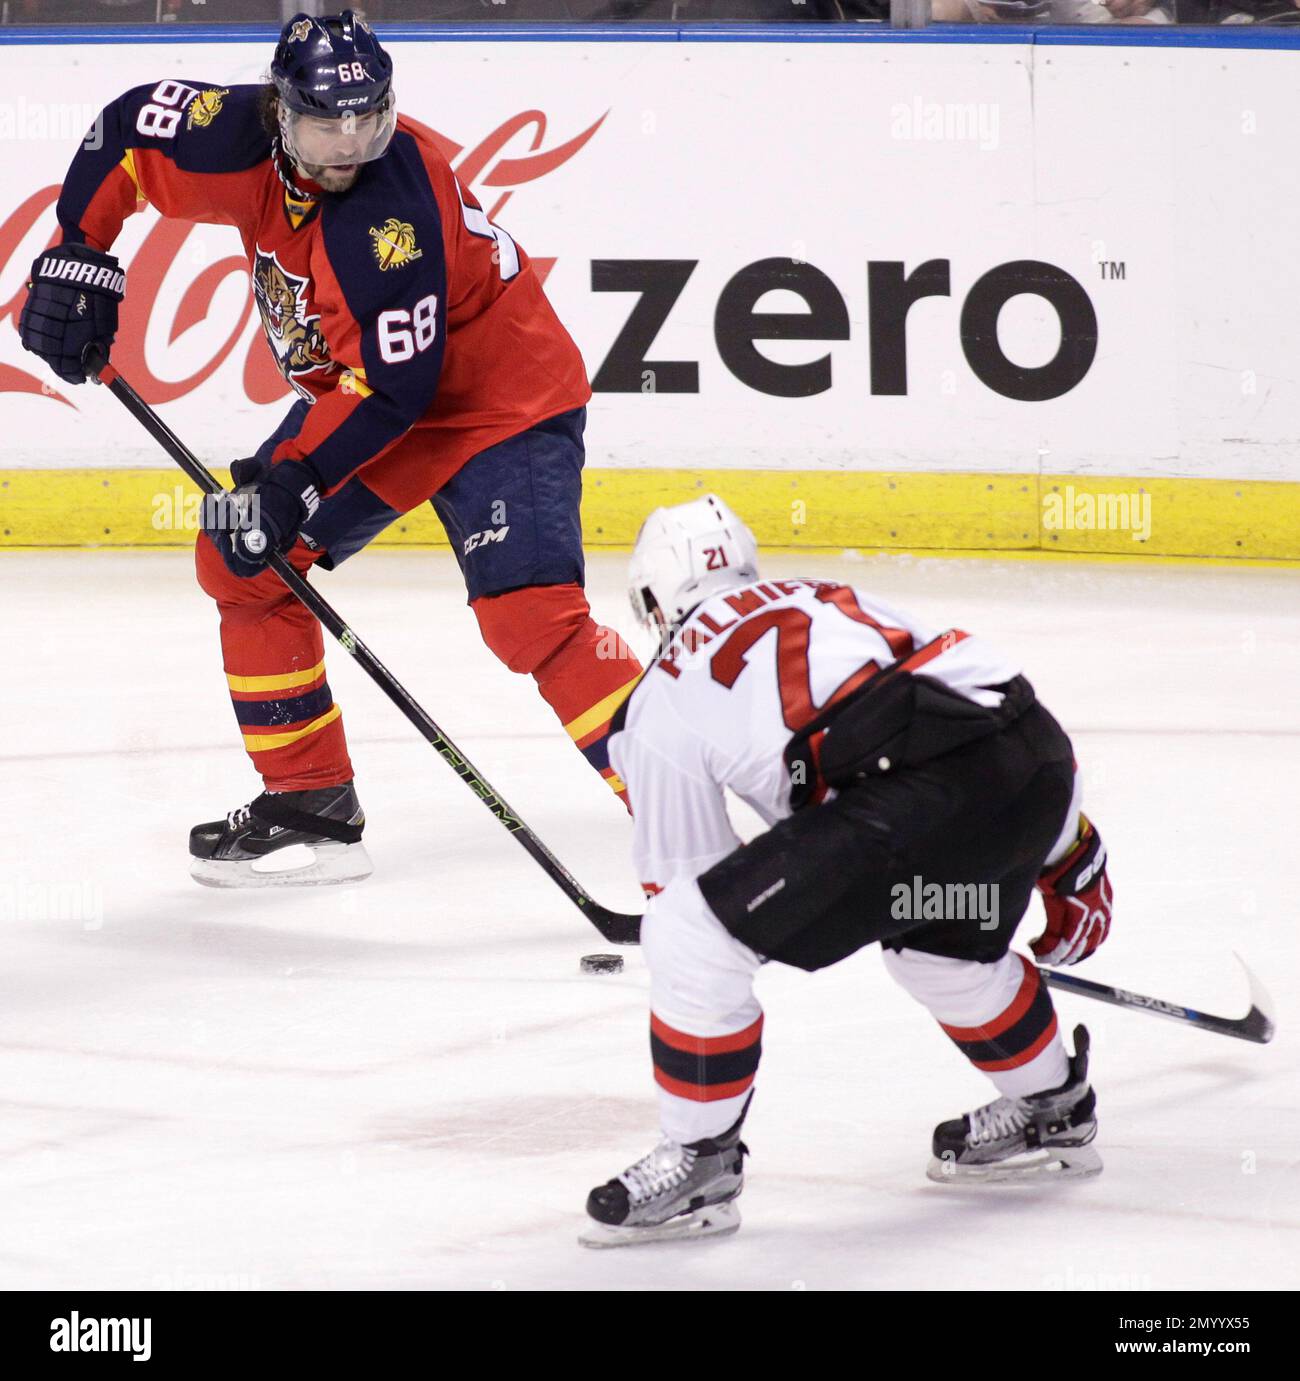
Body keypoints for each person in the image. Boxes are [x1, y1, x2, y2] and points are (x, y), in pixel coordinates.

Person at [20, 10, 641, 887]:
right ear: (280, 112)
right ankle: (310, 798)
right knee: (245, 564)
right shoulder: (232, 139)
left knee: (529, 615)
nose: (350, 143)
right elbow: (125, 133)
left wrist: (293, 484)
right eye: (326, 122)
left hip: (500, 398)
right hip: (375, 393)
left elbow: (396, 390)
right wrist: (79, 250)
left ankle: (675, 783)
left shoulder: (387, 221)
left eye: (368, 119)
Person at [581, 495, 1114, 1247]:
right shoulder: (825, 594)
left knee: (688, 935)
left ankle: (701, 1162)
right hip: (1036, 766)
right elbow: (977, 701)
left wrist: (814, 889)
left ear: (650, 598)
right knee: (941, 953)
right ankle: (1055, 1106)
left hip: (915, 813)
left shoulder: (663, 689)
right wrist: (1068, 849)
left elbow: (690, 889)